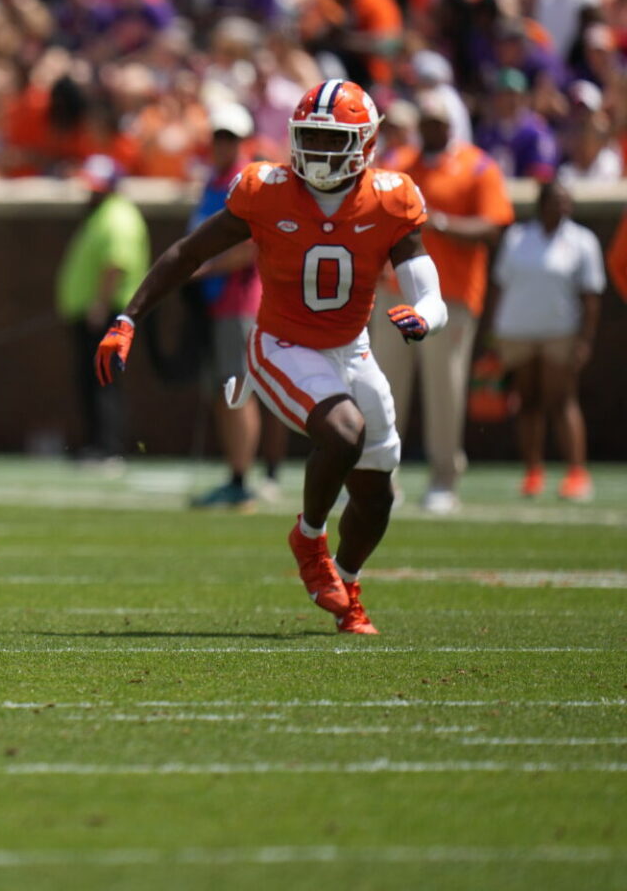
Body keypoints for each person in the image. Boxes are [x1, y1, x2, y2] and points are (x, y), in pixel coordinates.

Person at [96, 80, 448, 635]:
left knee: (378, 492)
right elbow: (189, 252)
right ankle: (309, 539)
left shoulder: (391, 196)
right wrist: (128, 317)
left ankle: (348, 582)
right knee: (344, 431)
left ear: (367, 143)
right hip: (281, 345)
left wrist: (423, 315)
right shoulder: (265, 188)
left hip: (352, 350)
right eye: (311, 138)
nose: (320, 153)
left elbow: (428, 289)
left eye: (334, 141)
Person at [375, 92, 514, 513]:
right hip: (396, 290)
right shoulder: (400, 163)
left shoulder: (479, 166)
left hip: (450, 294)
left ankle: (443, 477)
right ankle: (381, 478)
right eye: (427, 120)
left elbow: (494, 227)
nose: (433, 127)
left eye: (439, 120)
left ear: (452, 124)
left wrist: (442, 223)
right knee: (384, 388)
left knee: (444, 388)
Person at [187, 102, 285, 510]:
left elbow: (249, 248)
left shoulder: (246, 182)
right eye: (218, 136)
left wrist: (201, 270)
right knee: (223, 392)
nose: (222, 144)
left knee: (239, 390)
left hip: (240, 300)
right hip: (215, 303)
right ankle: (235, 474)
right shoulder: (214, 181)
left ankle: (245, 478)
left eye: (230, 137)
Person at [490, 178, 604, 501]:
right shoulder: (516, 237)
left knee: (562, 400)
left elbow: (591, 295)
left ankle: (577, 473)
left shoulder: (583, 241)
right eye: (556, 200)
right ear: (542, 204)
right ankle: (533, 472)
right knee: (527, 402)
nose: (562, 206)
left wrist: (586, 339)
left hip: (560, 333)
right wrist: (494, 335)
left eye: (566, 201)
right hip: (516, 332)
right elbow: (500, 285)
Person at [56, 154, 149, 465]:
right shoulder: (106, 213)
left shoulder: (117, 216)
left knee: (102, 381)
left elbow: (115, 264)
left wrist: (99, 304)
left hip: (106, 313)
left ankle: (108, 447)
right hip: (94, 312)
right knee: (91, 380)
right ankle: (97, 444)